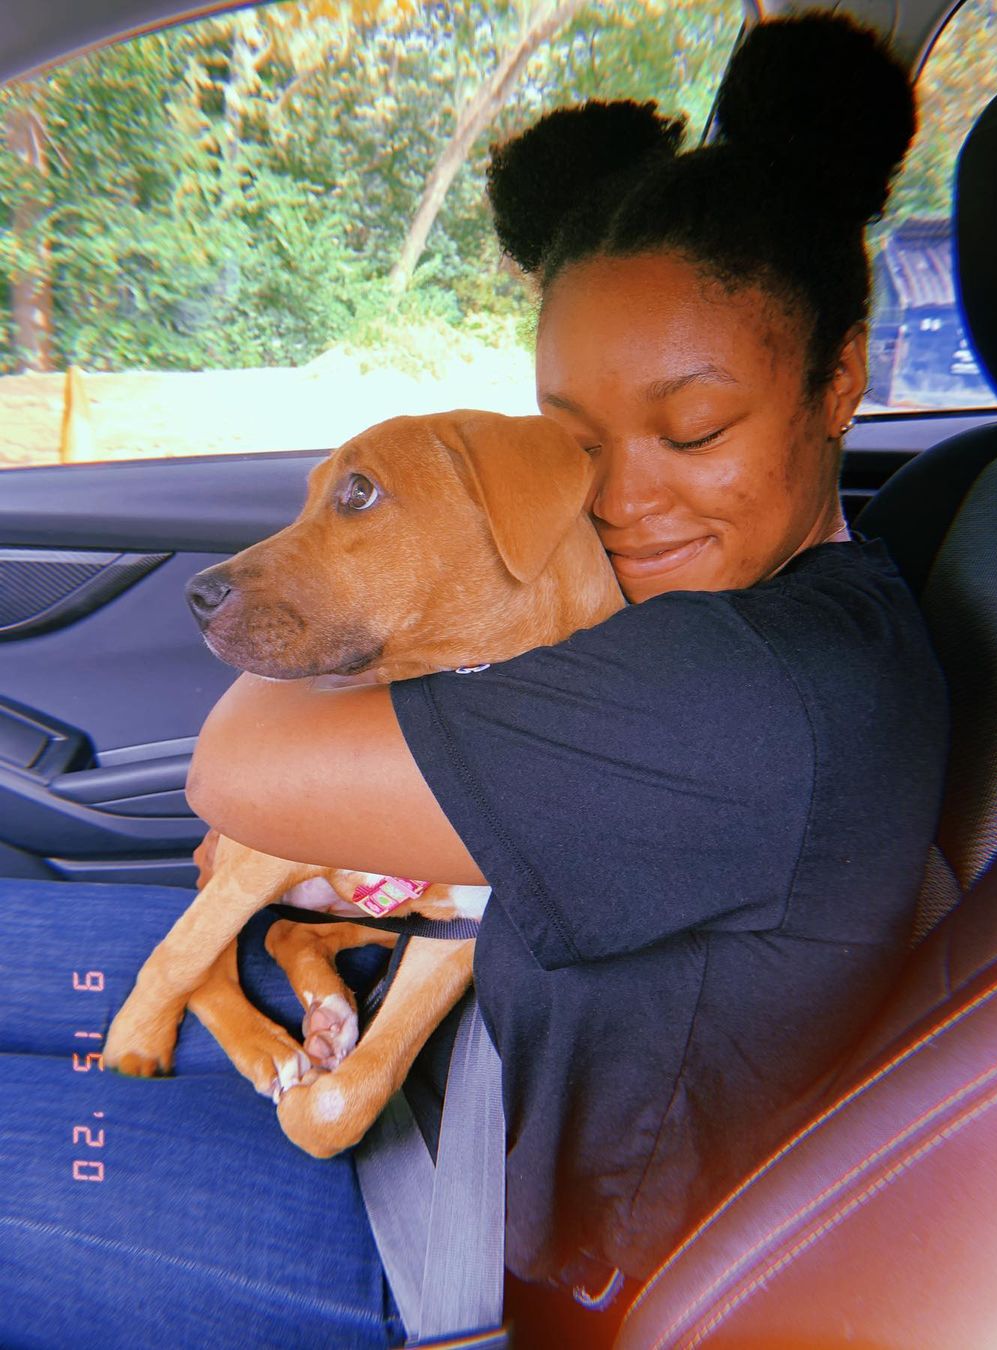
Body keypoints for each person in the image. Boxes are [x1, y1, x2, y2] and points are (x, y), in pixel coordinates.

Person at [0, 12, 947, 1347]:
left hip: (452, 1255)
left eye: (695, 428)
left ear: (841, 379)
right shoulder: (741, 607)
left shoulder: (763, 690)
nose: (615, 498)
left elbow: (239, 767)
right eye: (569, 442)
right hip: (425, 1065)